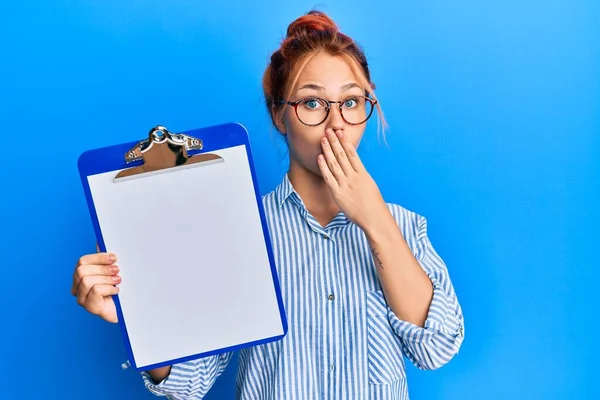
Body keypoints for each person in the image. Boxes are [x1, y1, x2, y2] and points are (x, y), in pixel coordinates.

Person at [71, 10, 465, 400]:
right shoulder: (237, 228)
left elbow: (436, 348)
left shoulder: (405, 226)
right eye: (312, 103)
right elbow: (190, 382)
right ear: (279, 114)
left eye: (350, 101)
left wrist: (375, 220)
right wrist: (136, 320)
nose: (336, 124)